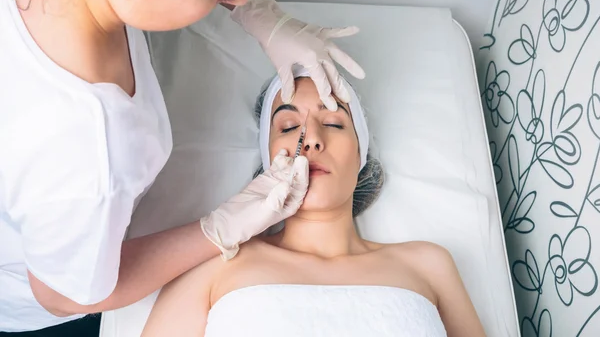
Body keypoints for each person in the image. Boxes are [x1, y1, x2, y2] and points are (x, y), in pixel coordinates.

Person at [0, 0, 366, 334]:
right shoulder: (86, 152)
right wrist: (218, 230)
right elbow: (60, 294)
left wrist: (262, 13)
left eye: (334, 121)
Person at [141, 72, 487, 337]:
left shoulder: (428, 264)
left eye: (334, 123)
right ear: (268, 158)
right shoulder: (215, 262)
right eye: (289, 127)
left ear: (361, 156)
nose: (312, 142)